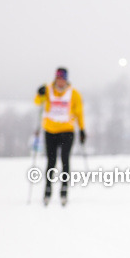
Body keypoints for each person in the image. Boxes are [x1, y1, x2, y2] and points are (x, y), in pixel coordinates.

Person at [34, 67, 86, 206]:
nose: (60, 82)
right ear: (55, 78)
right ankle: (48, 190)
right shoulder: (48, 89)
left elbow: (79, 112)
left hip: (67, 131)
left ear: (66, 80)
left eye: (62, 79)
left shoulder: (74, 93)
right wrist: (39, 93)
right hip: (50, 131)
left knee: (64, 160)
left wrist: (82, 129)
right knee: (51, 161)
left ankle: (64, 190)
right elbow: (37, 102)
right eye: (58, 79)